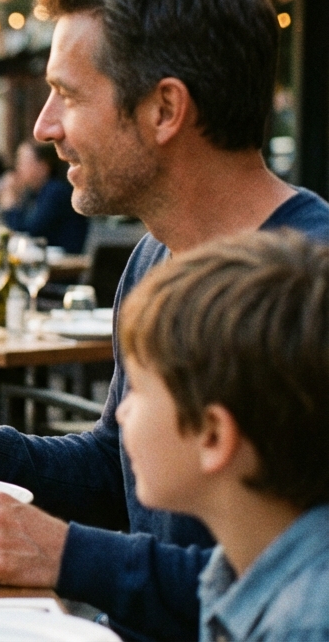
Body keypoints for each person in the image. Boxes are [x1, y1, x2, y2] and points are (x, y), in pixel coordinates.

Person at [0, 0, 329, 641]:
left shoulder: (309, 287)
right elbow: (120, 473)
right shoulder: (153, 261)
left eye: (68, 96)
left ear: (165, 109)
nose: (45, 129)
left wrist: (66, 555)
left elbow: (290, 587)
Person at [113, 231, 329, 641]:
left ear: (212, 435)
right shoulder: (235, 567)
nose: (121, 411)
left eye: (138, 390)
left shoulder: (305, 624)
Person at [0, 140, 89, 253]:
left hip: (66, 266)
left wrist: (11, 207)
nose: (18, 168)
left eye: (23, 162)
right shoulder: (33, 193)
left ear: (44, 166)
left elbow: (30, 234)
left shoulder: (56, 192)